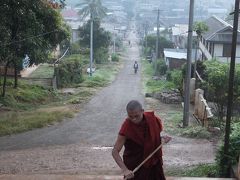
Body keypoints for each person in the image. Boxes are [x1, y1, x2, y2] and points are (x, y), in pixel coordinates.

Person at [112, 100, 172, 180]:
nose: (134, 119)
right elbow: (115, 151)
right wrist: (125, 170)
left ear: (142, 111)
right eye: (130, 116)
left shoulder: (152, 119)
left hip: (153, 164)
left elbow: (154, 134)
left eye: (137, 116)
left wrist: (162, 138)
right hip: (135, 167)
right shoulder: (126, 127)